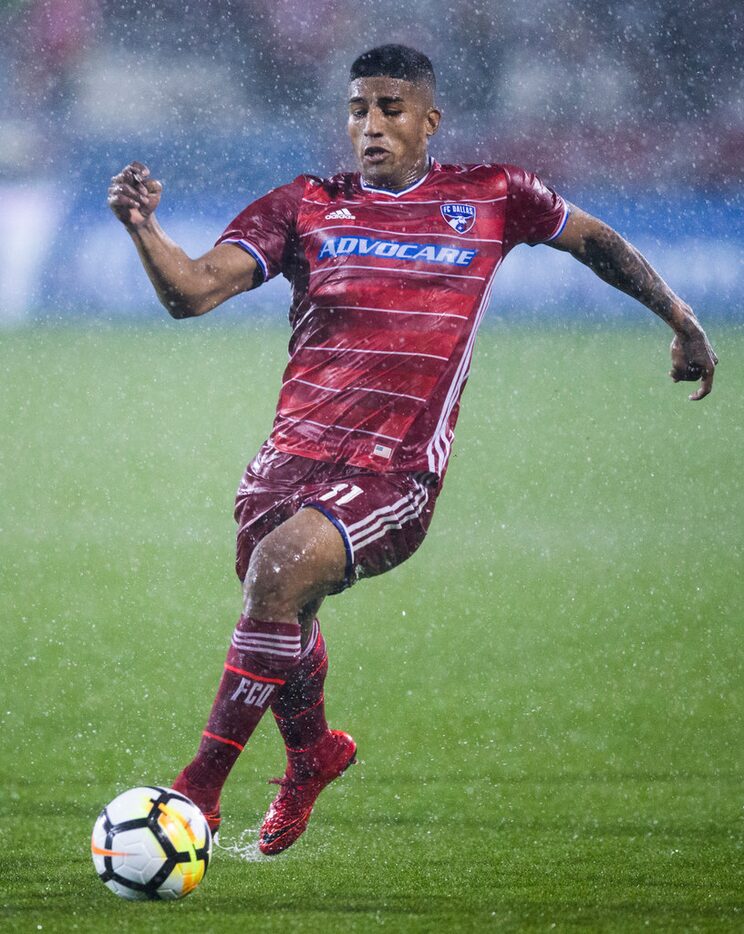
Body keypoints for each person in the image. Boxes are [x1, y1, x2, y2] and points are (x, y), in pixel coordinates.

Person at [107, 44, 717, 856]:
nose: (371, 125)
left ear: (430, 120)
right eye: (358, 109)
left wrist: (679, 317)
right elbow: (192, 292)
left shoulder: (494, 195)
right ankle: (313, 754)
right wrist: (144, 229)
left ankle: (197, 792)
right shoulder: (305, 204)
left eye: (391, 108)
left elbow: (596, 241)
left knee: (280, 576)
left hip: (394, 472)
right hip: (286, 462)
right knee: (280, 606)